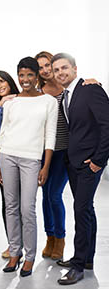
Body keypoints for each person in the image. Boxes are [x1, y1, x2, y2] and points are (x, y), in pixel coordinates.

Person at [34, 51, 100, 261]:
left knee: (56, 196)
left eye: (48, 66)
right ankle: (51, 237)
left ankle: (62, 240)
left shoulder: (75, 89)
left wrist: (98, 159)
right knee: (46, 197)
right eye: (41, 68)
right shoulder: (40, 93)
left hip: (67, 151)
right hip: (48, 152)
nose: (45, 71)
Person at [0, 57, 58, 277]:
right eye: (21, 75)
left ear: (37, 76)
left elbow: (50, 135)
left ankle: (29, 257)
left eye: (29, 75)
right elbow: (3, 133)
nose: (25, 79)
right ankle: (15, 253)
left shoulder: (49, 102)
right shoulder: (12, 102)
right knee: (10, 206)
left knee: (27, 209)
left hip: (32, 159)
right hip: (8, 156)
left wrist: (45, 165)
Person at [51, 53, 109, 285]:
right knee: (86, 211)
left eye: (64, 68)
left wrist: (98, 160)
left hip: (89, 164)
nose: (60, 73)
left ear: (75, 68)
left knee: (81, 211)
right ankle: (86, 259)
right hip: (73, 162)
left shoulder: (90, 89)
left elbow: (107, 125)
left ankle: (77, 267)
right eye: (56, 70)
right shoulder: (65, 95)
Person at [0, 70, 20, 259]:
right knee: (8, 203)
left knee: (25, 205)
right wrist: (0, 106)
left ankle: (23, 244)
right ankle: (13, 244)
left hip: (24, 156)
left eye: (2, 82)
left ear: (10, 82)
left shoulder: (22, 99)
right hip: (2, 157)